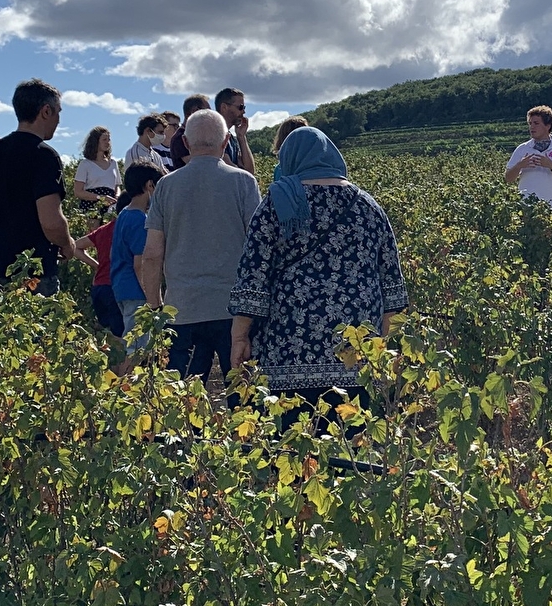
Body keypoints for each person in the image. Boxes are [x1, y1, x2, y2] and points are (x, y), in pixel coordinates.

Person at [230, 126, 408, 427]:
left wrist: (239, 335)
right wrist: (384, 346)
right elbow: (392, 285)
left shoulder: (276, 204)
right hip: (354, 351)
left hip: (286, 350)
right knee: (349, 448)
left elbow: (253, 276)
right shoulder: (369, 207)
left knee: (291, 446)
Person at [142, 109, 261, 382]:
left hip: (182, 311)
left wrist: (154, 307)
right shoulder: (244, 183)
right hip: (234, 313)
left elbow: (151, 254)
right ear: (225, 143)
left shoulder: (166, 187)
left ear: (185, 143)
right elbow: (257, 249)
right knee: (244, 402)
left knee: (183, 405)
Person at [0, 79, 77, 295]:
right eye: (58, 112)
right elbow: (51, 222)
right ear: (46, 111)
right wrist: (67, 243)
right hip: (30, 271)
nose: (58, 119)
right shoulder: (44, 155)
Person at [109, 164, 165, 341]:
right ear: (149, 185)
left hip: (122, 288)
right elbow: (140, 263)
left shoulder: (124, 214)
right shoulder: (140, 220)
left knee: (132, 342)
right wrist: (153, 299)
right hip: (137, 292)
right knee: (137, 348)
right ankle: (125, 370)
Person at [504, 106, 552, 207]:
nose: (532, 127)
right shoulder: (523, 149)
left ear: (548, 126)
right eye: (530, 123)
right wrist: (520, 165)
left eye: (536, 123)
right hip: (526, 208)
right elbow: (508, 178)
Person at [73, 126, 120, 211]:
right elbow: (78, 192)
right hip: (91, 207)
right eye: (104, 140)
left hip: (111, 207)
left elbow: (117, 186)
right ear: (95, 141)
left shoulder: (113, 164)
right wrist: (100, 198)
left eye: (109, 140)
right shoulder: (85, 164)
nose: (108, 142)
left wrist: (117, 197)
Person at [214, 87, 257, 174]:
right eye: (240, 107)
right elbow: (229, 169)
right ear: (224, 107)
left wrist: (241, 137)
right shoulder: (214, 134)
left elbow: (250, 171)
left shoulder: (231, 139)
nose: (244, 111)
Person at [168, 95, 210, 170]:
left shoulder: (195, 135)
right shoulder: (179, 138)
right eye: (207, 111)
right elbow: (197, 165)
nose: (210, 115)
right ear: (195, 111)